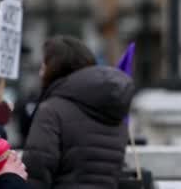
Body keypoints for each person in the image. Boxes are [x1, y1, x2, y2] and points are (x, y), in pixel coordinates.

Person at [22, 35, 135, 189]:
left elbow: (37, 172)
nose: (40, 73)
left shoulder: (52, 110)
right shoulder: (114, 108)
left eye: (43, 66)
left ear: (55, 68)